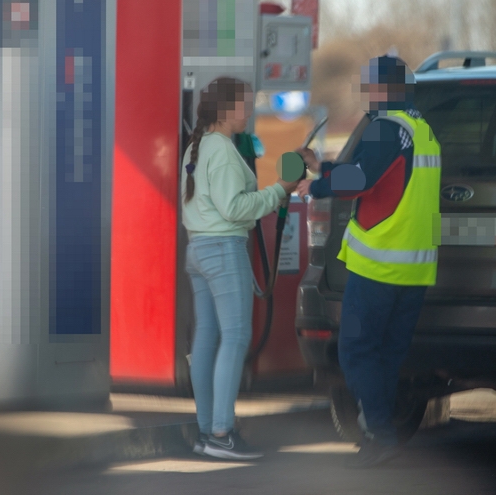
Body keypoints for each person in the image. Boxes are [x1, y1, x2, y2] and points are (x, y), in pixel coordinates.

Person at [296, 55, 441, 468]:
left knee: (356, 351)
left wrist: (316, 185)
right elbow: (385, 174)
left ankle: (380, 432)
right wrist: (323, 165)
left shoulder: (385, 127)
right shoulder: (422, 131)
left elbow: (359, 180)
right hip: (415, 269)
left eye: (368, 86)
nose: (364, 93)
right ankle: (377, 432)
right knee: (386, 355)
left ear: (384, 90)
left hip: (379, 267)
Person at [181, 76, 300, 460]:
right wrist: (280, 188)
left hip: (198, 248)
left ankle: (205, 433)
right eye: (245, 104)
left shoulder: (197, 149)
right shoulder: (223, 151)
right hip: (222, 248)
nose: (249, 110)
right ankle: (221, 433)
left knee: (206, 339)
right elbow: (235, 208)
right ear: (225, 109)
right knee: (235, 337)